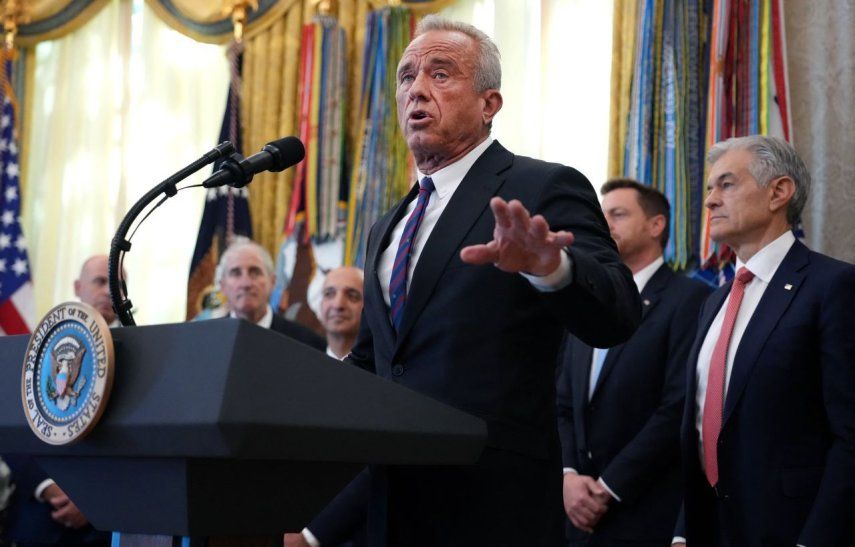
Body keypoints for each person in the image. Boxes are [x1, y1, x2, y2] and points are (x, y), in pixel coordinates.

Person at [288, 15, 640, 547]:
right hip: (393, 504)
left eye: (440, 74)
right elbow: (375, 361)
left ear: (488, 103)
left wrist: (551, 268)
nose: (416, 90)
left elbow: (618, 313)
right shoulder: (388, 225)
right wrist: (289, 394)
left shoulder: (540, 186)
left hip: (493, 502)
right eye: (406, 76)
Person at [675, 135, 855, 546]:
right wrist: (684, 531)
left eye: (726, 184)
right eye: (709, 188)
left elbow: (850, 434)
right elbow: (704, 428)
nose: (710, 201)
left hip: (791, 530)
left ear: (779, 192)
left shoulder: (833, 287)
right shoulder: (715, 301)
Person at [556, 180, 710, 546]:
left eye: (618, 214)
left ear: (656, 225)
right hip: (575, 515)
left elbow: (677, 406)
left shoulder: (691, 299)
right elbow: (562, 399)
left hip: (644, 511)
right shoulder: (586, 298)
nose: (605, 223)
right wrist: (568, 474)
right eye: (602, 215)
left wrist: (608, 487)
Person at [1, 255, 116, 546]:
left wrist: (92, 500)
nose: (110, 290)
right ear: (78, 287)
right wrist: (49, 487)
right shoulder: (39, 350)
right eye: (100, 281)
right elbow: (11, 427)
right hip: (39, 519)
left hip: (104, 525)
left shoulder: (142, 358)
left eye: (118, 283)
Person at [217, 237, 326, 351]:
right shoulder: (207, 338)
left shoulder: (306, 343)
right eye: (236, 273)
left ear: (273, 282)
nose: (246, 283)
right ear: (222, 286)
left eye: (255, 272)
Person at [319, 267, 364, 360]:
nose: (338, 305)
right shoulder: (302, 363)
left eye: (352, 296)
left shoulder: (383, 367)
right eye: (329, 294)